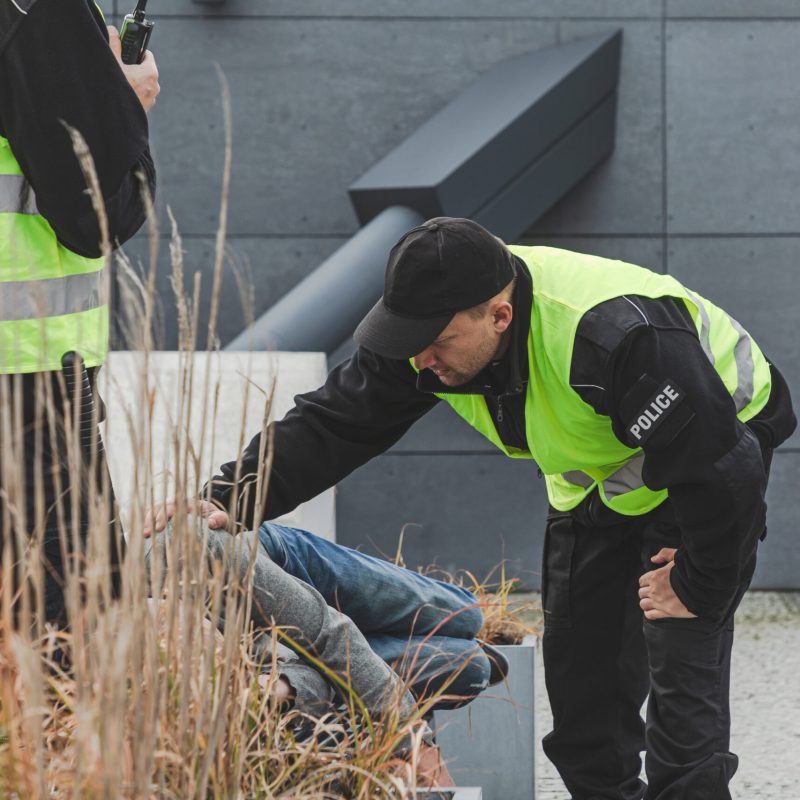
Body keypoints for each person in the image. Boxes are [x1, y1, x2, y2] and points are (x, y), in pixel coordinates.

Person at [148, 216, 795, 799]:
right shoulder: (422, 340)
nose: (421, 361)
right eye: (407, 342)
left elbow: (724, 468)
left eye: (436, 342)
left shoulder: (616, 334)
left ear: (499, 316)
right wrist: (227, 496)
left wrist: (698, 583)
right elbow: (335, 422)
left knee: (681, 661)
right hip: (601, 483)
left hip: (711, 455)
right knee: (582, 700)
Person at [0, 0, 159, 628]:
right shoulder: (40, 7)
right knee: (73, 640)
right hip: (26, 380)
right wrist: (129, 107)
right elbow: (101, 212)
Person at [146, 517, 495, 787]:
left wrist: (420, 748)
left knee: (465, 616)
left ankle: (382, 632)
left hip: (290, 569)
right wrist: (278, 685)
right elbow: (306, 672)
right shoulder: (153, 700)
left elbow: (327, 633)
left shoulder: (197, 551)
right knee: (469, 666)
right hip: (294, 642)